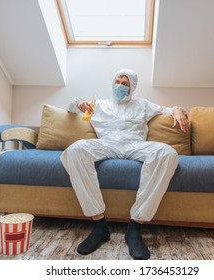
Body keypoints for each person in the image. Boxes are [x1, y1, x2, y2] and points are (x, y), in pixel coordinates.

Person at [60, 69, 188, 260]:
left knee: (167, 153)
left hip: (135, 145)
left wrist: (178, 110)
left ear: (132, 88)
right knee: (74, 150)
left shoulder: (143, 104)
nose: (119, 85)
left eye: (125, 83)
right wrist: (78, 102)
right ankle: (99, 225)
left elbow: (167, 109)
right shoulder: (99, 104)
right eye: (117, 81)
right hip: (106, 144)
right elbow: (71, 107)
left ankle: (135, 227)